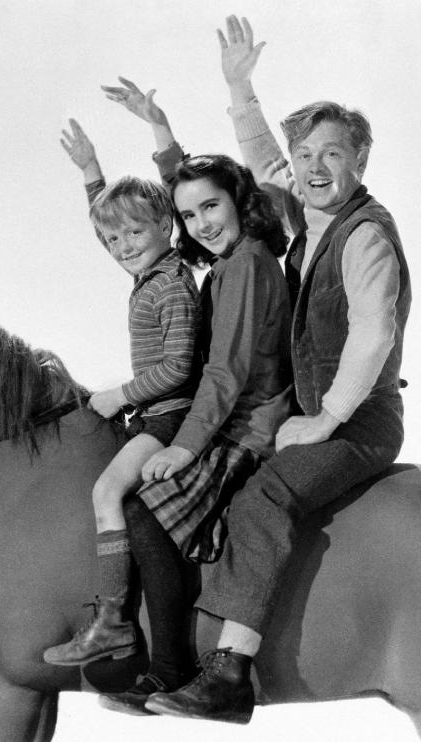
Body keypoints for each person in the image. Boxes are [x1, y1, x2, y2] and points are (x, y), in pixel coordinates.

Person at [143, 16, 412, 724]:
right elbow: (261, 163)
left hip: (361, 421)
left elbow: (374, 332)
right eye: (306, 154)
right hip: (316, 411)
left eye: (333, 153)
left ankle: (230, 674)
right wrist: (240, 89)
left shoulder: (365, 235)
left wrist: (326, 417)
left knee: (263, 498)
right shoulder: (309, 219)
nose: (314, 167)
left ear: (361, 160)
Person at [87, 80, 293, 716]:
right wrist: (159, 130)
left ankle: (173, 668)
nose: (201, 224)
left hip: (245, 425)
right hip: (224, 415)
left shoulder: (247, 266)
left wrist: (181, 450)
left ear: (238, 201)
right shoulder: (224, 252)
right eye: (191, 216)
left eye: (212, 210)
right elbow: (178, 201)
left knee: (147, 511)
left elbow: (224, 374)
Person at [42, 123, 201, 669]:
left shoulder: (173, 284)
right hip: (153, 411)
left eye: (134, 235)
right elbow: (105, 221)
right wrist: (91, 170)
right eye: (113, 241)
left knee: (108, 493)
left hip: (171, 417)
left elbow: (180, 368)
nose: (121, 248)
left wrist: (119, 395)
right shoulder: (148, 274)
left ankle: (111, 622)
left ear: (165, 225)